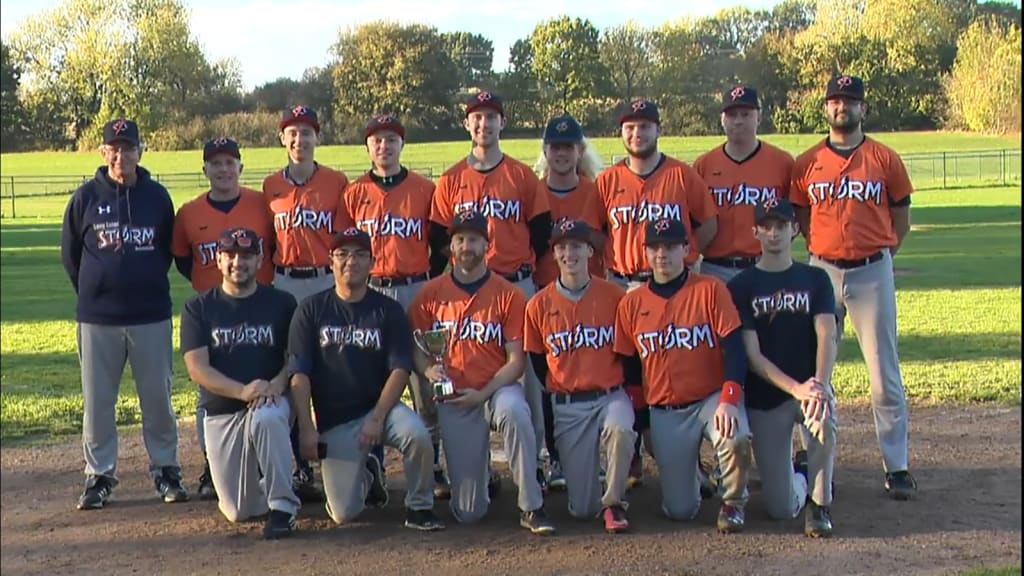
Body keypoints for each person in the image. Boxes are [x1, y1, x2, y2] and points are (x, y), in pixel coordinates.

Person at [790, 74, 916, 500]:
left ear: (864, 109)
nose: (842, 107)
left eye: (850, 101)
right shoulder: (805, 163)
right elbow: (802, 220)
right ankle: (813, 454)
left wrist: (879, 254)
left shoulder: (884, 158)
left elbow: (901, 220)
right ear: (825, 108)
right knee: (815, 368)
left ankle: (896, 465)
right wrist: (822, 251)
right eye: (835, 100)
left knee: (883, 372)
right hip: (822, 269)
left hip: (871, 271)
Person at [428, 90, 552, 491]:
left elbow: (542, 231)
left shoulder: (520, 175)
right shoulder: (449, 180)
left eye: (491, 117)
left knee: (529, 379)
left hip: (515, 284)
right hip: (466, 291)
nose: (484, 124)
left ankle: (533, 466)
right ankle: (468, 469)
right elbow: (437, 239)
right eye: (476, 118)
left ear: (502, 123)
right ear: (467, 125)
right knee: (461, 369)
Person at [61, 118, 186, 510]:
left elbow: (168, 248)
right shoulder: (84, 198)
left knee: (158, 399)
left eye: (128, 147)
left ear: (140, 151)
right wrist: (97, 292)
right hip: (98, 318)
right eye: (114, 148)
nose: (121, 155)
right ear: (103, 153)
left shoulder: (157, 197)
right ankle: (99, 475)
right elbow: (71, 257)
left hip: (150, 314)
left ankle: (165, 470)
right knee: (98, 401)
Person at [595, 99, 720, 490]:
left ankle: (691, 458)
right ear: (622, 132)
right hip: (621, 284)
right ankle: (630, 452)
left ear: (658, 130)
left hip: (672, 285)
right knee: (626, 372)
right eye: (630, 127)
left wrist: (683, 263)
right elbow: (596, 233)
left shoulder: (682, 176)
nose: (638, 133)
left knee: (679, 367)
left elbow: (708, 225)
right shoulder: (607, 181)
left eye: (645, 126)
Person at [408, 211, 556, 535]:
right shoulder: (430, 294)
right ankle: (485, 477)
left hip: (497, 388)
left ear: (487, 245)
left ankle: (531, 505)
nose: (466, 247)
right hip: (455, 396)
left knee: (516, 410)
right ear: (450, 247)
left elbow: (516, 361)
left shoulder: (508, 294)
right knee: (469, 513)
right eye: (460, 240)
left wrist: (484, 393)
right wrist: (427, 368)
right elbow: (417, 348)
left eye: (474, 239)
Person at [288, 227, 444, 531]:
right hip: (336, 419)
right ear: (330, 261)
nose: (351, 261)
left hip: (381, 410)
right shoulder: (311, 309)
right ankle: (369, 474)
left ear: (372, 262)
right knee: (343, 514)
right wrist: (307, 428)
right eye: (343, 254)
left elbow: (400, 369)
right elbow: (299, 373)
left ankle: (419, 506)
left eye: (360, 254)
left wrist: (378, 416)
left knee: (418, 436)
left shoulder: (387, 309)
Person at [613, 218, 752, 533]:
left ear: (687, 249)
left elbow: (735, 348)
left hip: (710, 399)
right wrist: (644, 424)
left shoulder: (710, 289)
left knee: (735, 435)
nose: (662, 254)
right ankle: (696, 476)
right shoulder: (632, 303)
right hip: (666, 410)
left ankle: (734, 501)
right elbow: (631, 371)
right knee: (680, 510)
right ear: (646, 252)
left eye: (671, 246)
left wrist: (730, 399)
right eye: (655, 247)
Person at [338, 113, 445, 498]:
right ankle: (373, 465)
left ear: (402, 145)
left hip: (414, 287)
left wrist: (425, 281)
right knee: (370, 375)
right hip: (371, 291)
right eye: (376, 140)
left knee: (423, 378)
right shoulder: (353, 194)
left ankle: (431, 464)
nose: (384, 146)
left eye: (391, 139)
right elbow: (344, 248)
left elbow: (440, 245)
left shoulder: (424, 189)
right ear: (367, 147)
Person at [727, 198, 838, 538]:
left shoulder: (815, 278)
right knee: (779, 508)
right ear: (755, 232)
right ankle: (803, 474)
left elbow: (827, 333)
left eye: (781, 226)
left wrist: (818, 385)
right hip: (767, 397)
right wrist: (796, 388)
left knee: (822, 418)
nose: (774, 232)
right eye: (767, 226)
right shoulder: (741, 285)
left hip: (808, 387)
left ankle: (820, 505)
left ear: (795, 230)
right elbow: (753, 357)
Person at [179, 227, 300, 539]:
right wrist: (242, 391)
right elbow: (198, 369)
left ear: (259, 260)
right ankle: (275, 480)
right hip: (222, 409)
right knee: (237, 510)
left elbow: (296, 358)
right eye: (230, 255)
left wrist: (276, 383)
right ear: (217, 260)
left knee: (269, 417)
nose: (238, 262)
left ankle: (283, 506)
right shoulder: (199, 308)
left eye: (246, 255)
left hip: (270, 400)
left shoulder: (281, 302)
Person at [172, 137, 275, 500]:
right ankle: (210, 463)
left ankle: (275, 462)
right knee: (210, 391)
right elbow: (183, 258)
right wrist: (207, 286)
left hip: (260, 302)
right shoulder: (189, 212)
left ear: (240, 168)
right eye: (215, 163)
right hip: (212, 309)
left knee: (271, 383)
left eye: (230, 162)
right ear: (205, 170)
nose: (223, 169)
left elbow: (274, 249)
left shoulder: (261, 205)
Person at [262, 105, 351, 502]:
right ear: (283, 139)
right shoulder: (269, 187)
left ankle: (351, 459)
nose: (300, 140)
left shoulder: (336, 182)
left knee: (335, 366)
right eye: (292, 133)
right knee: (294, 367)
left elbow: (347, 240)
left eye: (307, 132)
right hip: (285, 282)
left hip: (325, 279)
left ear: (318, 138)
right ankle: (300, 466)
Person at [524, 219, 635, 533]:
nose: (568, 253)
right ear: (554, 254)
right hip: (569, 404)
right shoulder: (539, 305)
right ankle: (593, 493)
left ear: (590, 250)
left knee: (621, 427)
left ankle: (614, 502)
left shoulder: (615, 296)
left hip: (609, 395)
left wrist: (626, 394)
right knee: (582, 510)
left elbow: (628, 354)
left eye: (576, 246)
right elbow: (537, 362)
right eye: (562, 247)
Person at [530, 113, 607, 490]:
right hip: (546, 294)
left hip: (594, 296)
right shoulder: (534, 190)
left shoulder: (595, 190)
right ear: (545, 151)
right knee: (550, 375)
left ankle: (611, 454)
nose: (562, 153)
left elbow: (608, 240)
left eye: (569, 147)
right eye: (555, 147)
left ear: (580, 151)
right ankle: (555, 455)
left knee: (598, 370)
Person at [694, 86, 795, 283]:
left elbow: (796, 217)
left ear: (759, 117)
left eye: (746, 114)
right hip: (715, 267)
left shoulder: (782, 163)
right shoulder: (704, 165)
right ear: (722, 119)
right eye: (732, 115)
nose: (739, 121)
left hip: (765, 265)